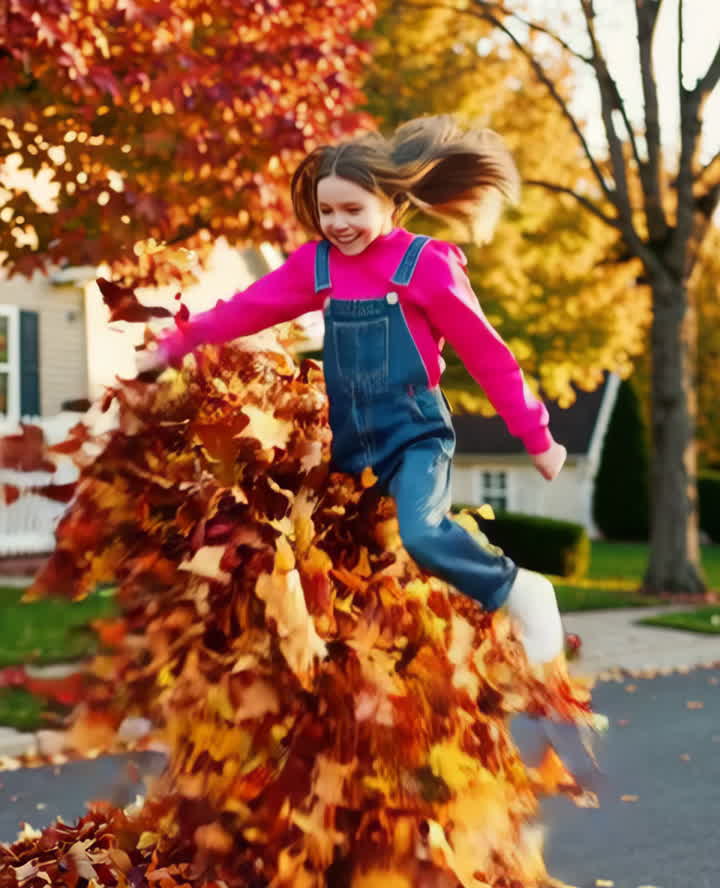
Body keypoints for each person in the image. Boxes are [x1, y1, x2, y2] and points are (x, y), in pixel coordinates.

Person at [138, 115, 567, 664]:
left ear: (390, 204)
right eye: (327, 211)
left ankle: (520, 590)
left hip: (415, 437)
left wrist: (537, 437)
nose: (338, 223)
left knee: (423, 532)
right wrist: (175, 345)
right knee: (319, 558)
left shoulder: (425, 265)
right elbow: (245, 310)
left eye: (353, 210)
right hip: (349, 449)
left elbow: (488, 355)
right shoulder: (317, 266)